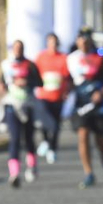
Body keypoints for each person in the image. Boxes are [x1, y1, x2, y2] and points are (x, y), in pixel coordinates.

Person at [67, 27, 103, 188]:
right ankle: (88, 173)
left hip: (99, 103)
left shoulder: (100, 56)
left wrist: (102, 92)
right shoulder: (71, 58)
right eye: (80, 39)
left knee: (100, 138)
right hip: (80, 103)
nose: (83, 42)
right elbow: (67, 79)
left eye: (86, 39)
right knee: (83, 135)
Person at [0, 40, 43, 188]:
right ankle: (14, 174)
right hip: (12, 104)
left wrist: (27, 82)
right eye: (15, 48)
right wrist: (1, 86)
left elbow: (40, 83)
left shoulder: (30, 64)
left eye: (20, 48)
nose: (18, 50)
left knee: (28, 138)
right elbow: (1, 83)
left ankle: (32, 167)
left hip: (28, 104)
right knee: (14, 138)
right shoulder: (6, 65)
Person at [35, 33, 69, 164]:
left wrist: (66, 91)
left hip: (58, 96)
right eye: (50, 42)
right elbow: (35, 73)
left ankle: (52, 148)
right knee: (44, 121)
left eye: (55, 42)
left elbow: (67, 77)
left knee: (55, 124)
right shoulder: (41, 57)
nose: (53, 45)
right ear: (47, 43)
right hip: (44, 96)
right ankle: (44, 141)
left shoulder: (63, 58)